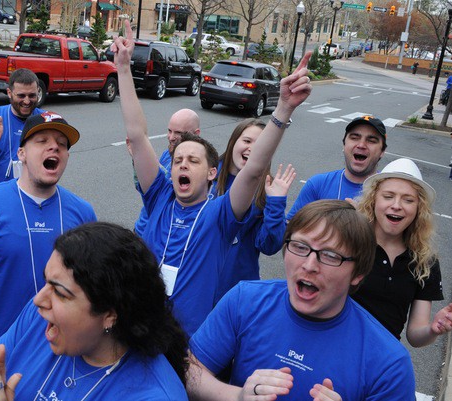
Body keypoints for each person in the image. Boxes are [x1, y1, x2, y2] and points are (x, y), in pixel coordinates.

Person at [113, 20, 312, 336]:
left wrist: (284, 110)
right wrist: (123, 69)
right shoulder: (160, 196)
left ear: (211, 172)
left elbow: (254, 170)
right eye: (178, 159)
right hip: (141, 324)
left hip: (188, 339)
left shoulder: (221, 214)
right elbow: (137, 135)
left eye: (192, 160)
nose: (182, 165)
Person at [187, 200, 416, 400]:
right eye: (299, 246)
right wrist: (238, 396)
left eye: (330, 255)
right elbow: (190, 371)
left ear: (358, 274)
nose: (308, 265)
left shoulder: (389, 363)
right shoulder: (245, 300)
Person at [0, 112, 97, 397]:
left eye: (62, 144)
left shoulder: (83, 213)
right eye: (43, 141)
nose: (55, 147)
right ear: (22, 153)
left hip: (56, 355)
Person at [0, 222, 189, 401]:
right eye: (46, 281)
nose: (38, 300)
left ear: (110, 314)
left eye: (61, 293)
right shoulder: (39, 322)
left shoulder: (153, 395)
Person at [352, 158, 452, 346]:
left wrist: (433, 329)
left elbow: (415, 336)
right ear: (373, 200)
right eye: (388, 196)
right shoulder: (351, 240)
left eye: (408, 200)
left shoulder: (425, 260)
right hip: (336, 348)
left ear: (418, 209)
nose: (396, 205)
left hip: (383, 361)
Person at [212, 119, 295, 303]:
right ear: (233, 141)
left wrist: (276, 203)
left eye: (260, 145)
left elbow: (269, 245)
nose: (252, 149)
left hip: (236, 293)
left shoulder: (267, 189)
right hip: (199, 285)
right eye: (247, 141)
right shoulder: (208, 174)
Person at [286, 115, 386, 221]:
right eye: (354, 138)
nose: (361, 145)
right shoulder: (317, 185)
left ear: (382, 152)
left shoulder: (390, 193)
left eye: (371, 140)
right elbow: (291, 230)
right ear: (344, 145)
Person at [134, 108, 200, 237]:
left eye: (178, 133)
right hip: (141, 230)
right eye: (169, 131)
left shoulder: (200, 166)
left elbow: (169, 194)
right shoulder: (167, 154)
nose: (171, 137)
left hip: (160, 238)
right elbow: (147, 188)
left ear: (196, 133)